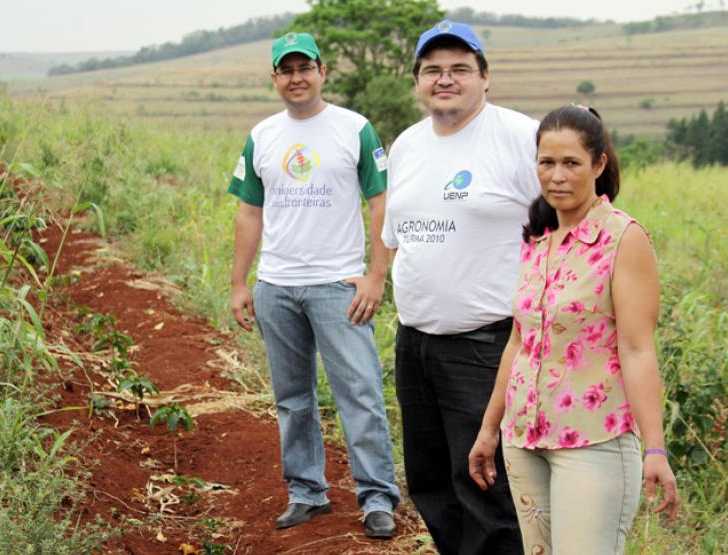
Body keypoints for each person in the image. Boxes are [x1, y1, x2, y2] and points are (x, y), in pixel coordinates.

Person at [467, 105, 680, 554]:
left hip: (592, 440)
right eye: (547, 162)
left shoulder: (623, 238)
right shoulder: (537, 240)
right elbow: (518, 343)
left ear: (598, 165)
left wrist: (655, 449)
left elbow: (639, 350)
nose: (557, 176)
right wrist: (490, 428)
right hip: (522, 438)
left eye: (571, 163)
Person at [227, 31, 400, 539]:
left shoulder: (355, 129)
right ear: (274, 78)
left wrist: (375, 275)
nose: (296, 77)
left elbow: (381, 203)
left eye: (305, 68)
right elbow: (248, 211)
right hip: (277, 287)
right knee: (291, 397)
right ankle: (307, 493)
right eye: (287, 70)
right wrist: (241, 282)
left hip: (336, 285)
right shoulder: (262, 135)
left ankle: (376, 498)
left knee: (360, 392)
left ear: (323, 71)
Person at [382, 19, 538, 555]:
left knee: (486, 482)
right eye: (432, 70)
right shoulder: (406, 144)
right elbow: (395, 237)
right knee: (430, 481)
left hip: (486, 344)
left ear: (485, 77)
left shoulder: (521, 137)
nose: (444, 79)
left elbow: (577, 211)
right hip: (416, 341)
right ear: (418, 81)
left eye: (459, 69)